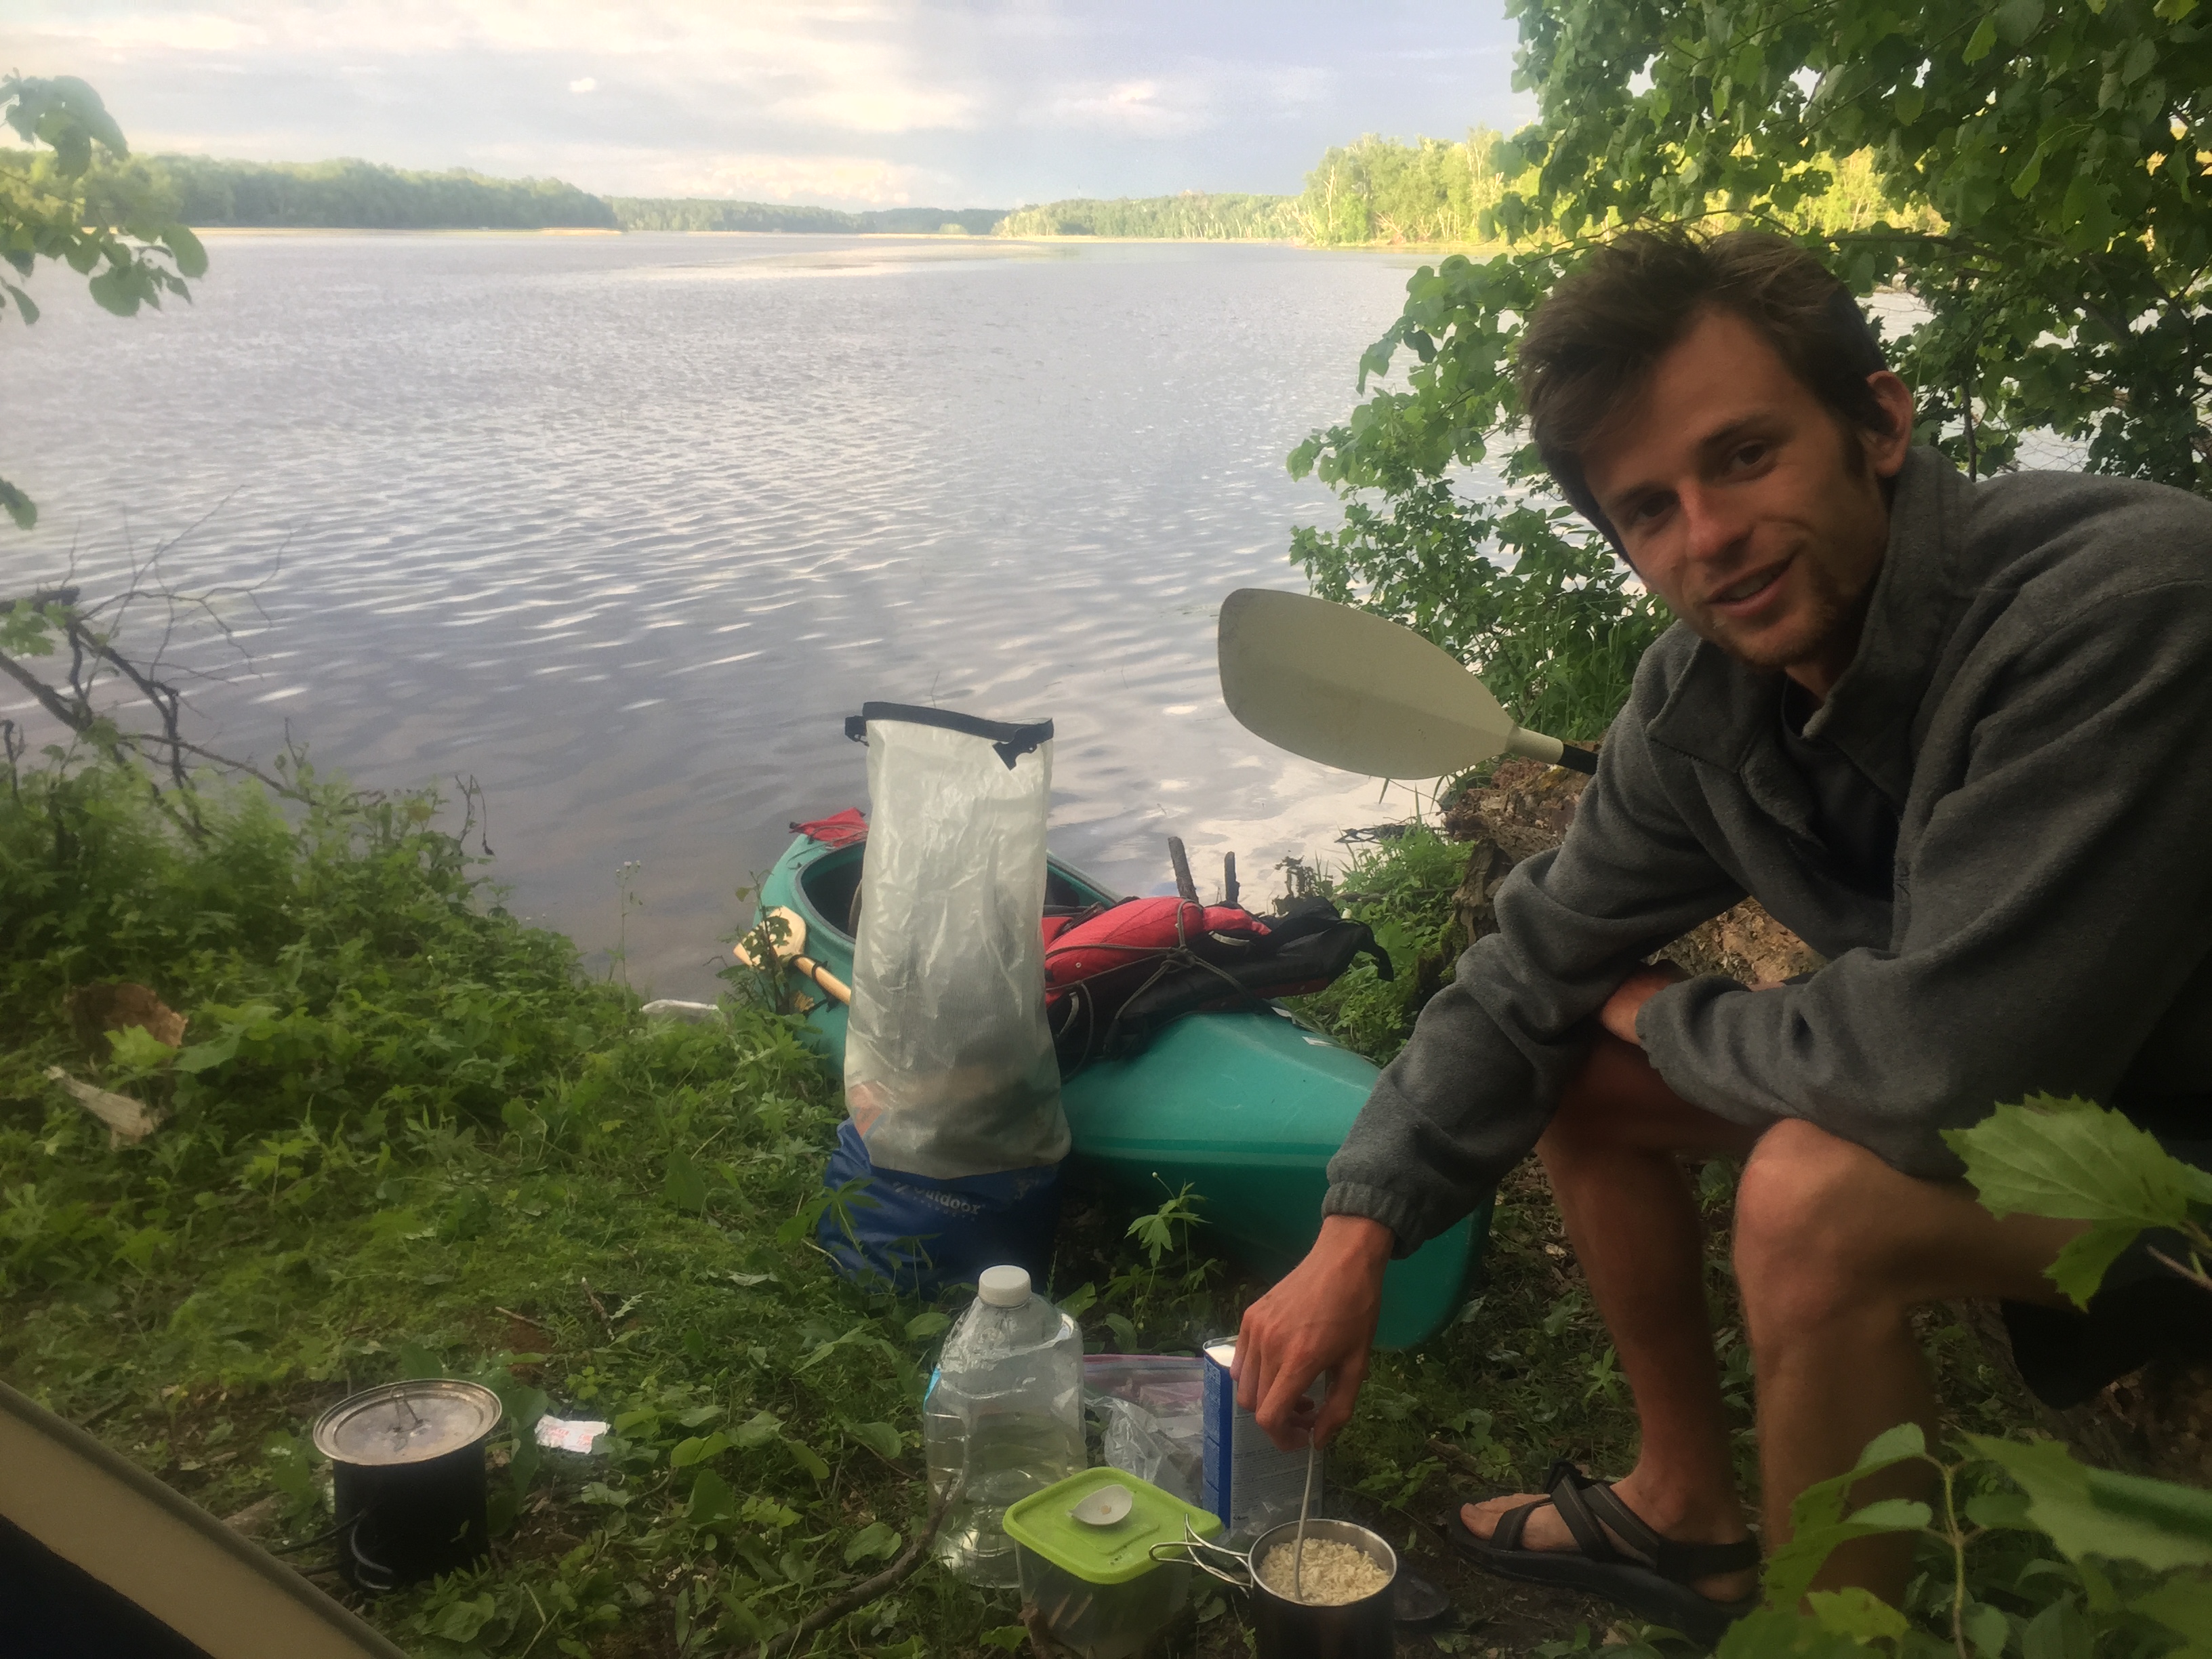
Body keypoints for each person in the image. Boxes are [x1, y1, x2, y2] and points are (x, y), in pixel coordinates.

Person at [1233, 228, 2212, 1643]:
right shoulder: (1707, 704)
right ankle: (1686, 1513)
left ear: (1879, 420)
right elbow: (1526, 970)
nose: (1710, 538)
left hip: (2169, 1129)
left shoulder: (2121, 613)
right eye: (1648, 508)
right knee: (1566, 1060)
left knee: (1813, 1199)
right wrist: (1354, 1229)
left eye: (1744, 457)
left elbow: (1944, 1080)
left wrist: (1653, 1014)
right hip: (2082, 1116)